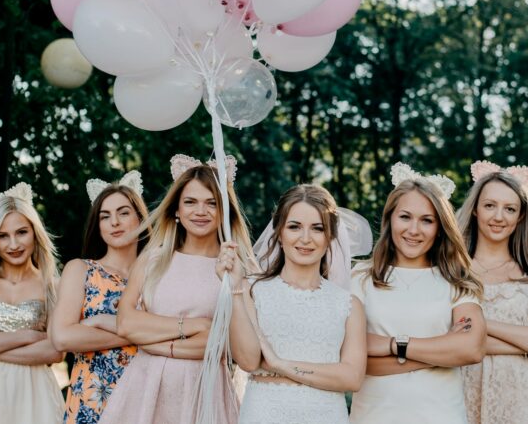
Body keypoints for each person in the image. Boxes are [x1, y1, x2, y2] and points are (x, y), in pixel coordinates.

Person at [99, 155, 255, 424]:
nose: (200, 211)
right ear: (176, 211)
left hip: (203, 392)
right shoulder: (152, 260)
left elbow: (230, 349)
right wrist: (195, 326)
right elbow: (126, 324)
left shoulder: (236, 269)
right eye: (190, 202)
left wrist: (151, 339)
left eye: (211, 203)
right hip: (144, 388)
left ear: (224, 210)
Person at [216, 183, 367, 424]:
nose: (305, 239)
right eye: (294, 227)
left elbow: (352, 377)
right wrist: (234, 288)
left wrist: (279, 364)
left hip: (326, 415)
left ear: (330, 236)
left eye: (317, 228)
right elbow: (247, 360)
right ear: (279, 232)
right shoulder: (250, 289)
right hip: (264, 413)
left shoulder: (348, 304)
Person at [348, 164, 485, 424]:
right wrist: (442, 353)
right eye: (405, 217)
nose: (414, 230)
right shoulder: (360, 277)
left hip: (441, 415)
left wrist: (391, 345)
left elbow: (471, 348)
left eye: (427, 220)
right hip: (374, 417)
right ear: (390, 218)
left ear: (440, 227)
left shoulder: (456, 280)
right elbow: (353, 361)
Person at [458, 160, 528, 424]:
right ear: (475, 210)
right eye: (490, 205)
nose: (498, 217)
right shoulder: (454, 270)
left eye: (510, 209)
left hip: (524, 400)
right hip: (463, 393)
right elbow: (446, 338)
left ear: (520, 217)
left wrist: (481, 325)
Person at [50, 172, 149, 423]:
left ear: (140, 217)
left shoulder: (156, 276)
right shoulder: (81, 270)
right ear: (98, 225)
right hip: (92, 401)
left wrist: (100, 322)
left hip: (144, 395)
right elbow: (62, 337)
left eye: (124, 213)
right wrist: (141, 334)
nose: (114, 222)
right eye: (105, 216)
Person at [0, 182, 64, 424]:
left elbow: (55, 351)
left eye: (21, 232)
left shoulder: (53, 286)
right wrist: (30, 337)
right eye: (2, 236)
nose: (13, 244)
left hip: (34, 393)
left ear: (35, 232)